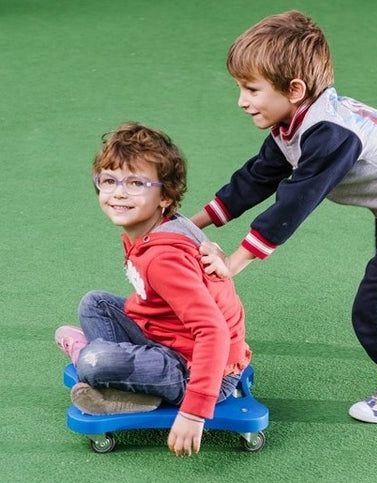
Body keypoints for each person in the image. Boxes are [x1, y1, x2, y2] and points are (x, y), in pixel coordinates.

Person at [191, 10, 377, 423]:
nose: (242, 100)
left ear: (294, 89)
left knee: (374, 308)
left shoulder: (330, 135)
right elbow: (259, 177)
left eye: (251, 89)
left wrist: (234, 263)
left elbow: (294, 202)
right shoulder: (292, 119)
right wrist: (192, 222)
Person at [55, 122, 251, 456]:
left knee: (93, 360)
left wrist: (194, 412)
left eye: (135, 183)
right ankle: (125, 386)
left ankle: (103, 371)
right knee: (96, 304)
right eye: (109, 181)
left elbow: (213, 331)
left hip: (200, 370)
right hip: (169, 337)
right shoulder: (150, 229)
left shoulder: (163, 259)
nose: (118, 192)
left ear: (165, 198)